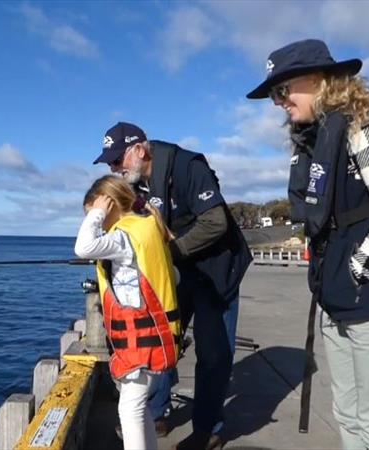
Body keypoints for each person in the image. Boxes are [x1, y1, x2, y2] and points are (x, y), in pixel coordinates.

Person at [246, 39, 369, 450]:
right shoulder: (313, 144)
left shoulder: (365, 130)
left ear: (319, 80)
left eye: (282, 89)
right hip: (339, 304)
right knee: (348, 417)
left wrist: (355, 271)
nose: (278, 102)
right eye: (274, 94)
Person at [93, 122, 252, 450]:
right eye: (109, 164)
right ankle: (155, 413)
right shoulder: (135, 185)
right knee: (162, 339)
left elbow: (216, 222)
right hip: (180, 271)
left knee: (213, 353)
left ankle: (209, 430)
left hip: (216, 270)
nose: (114, 169)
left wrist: (166, 251)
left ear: (139, 150)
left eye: (117, 160)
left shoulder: (188, 166)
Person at [74, 174, 182, 450]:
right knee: (140, 408)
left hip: (142, 344)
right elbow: (175, 277)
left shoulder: (123, 237)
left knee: (129, 409)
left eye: (97, 215)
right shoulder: (147, 229)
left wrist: (96, 213)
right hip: (158, 337)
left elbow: (83, 247)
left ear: (110, 205)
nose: (99, 225)